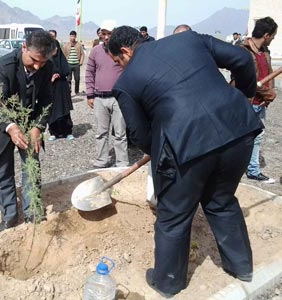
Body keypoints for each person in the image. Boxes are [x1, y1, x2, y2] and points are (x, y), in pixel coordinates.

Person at [108, 26, 263, 297]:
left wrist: (161, 149)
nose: (120, 67)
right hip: (237, 131)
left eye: (118, 62)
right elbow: (241, 59)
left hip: (188, 147)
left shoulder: (126, 83)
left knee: (173, 217)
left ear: (125, 51)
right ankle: (242, 268)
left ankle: (168, 282)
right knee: (221, 201)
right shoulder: (188, 40)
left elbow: (140, 135)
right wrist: (245, 95)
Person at [0, 30, 55, 232]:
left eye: (43, 63)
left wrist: (38, 127)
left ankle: (33, 212)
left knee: (32, 168)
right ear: (24, 48)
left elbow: (47, 101)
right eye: (34, 60)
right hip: (2, 124)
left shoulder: (47, 67)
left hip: (29, 123)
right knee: (4, 172)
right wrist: (11, 127)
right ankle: (9, 216)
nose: (38, 66)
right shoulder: (3, 65)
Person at [85, 20, 129, 168]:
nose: (106, 36)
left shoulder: (122, 51)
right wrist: (90, 95)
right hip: (100, 98)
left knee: (120, 133)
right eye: (104, 33)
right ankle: (101, 160)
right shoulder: (96, 51)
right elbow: (90, 72)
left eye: (109, 33)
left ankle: (122, 162)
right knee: (101, 132)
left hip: (118, 98)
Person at [240, 17, 278, 184]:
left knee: (258, 136)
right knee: (239, 137)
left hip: (260, 103)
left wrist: (268, 96)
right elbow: (247, 80)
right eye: (273, 36)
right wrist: (268, 93)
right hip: (244, 103)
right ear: (266, 35)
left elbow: (268, 75)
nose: (274, 39)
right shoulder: (243, 51)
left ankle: (253, 170)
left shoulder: (265, 52)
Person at [47, 30, 74, 141]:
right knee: (52, 110)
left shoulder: (61, 58)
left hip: (62, 87)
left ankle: (67, 132)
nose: (55, 50)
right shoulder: (47, 61)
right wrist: (51, 78)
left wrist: (60, 74)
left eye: (56, 48)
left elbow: (66, 69)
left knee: (64, 110)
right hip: (51, 88)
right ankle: (54, 132)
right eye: (53, 48)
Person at [63, 30, 84, 95]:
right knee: (68, 79)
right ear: (69, 37)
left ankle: (76, 91)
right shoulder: (66, 45)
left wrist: (81, 62)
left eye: (74, 36)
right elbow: (64, 55)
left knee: (77, 79)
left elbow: (82, 54)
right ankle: (69, 91)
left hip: (76, 64)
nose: (72, 37)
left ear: (75, 37)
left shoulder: (79, 45)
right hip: (68, 64)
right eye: (71, 36)